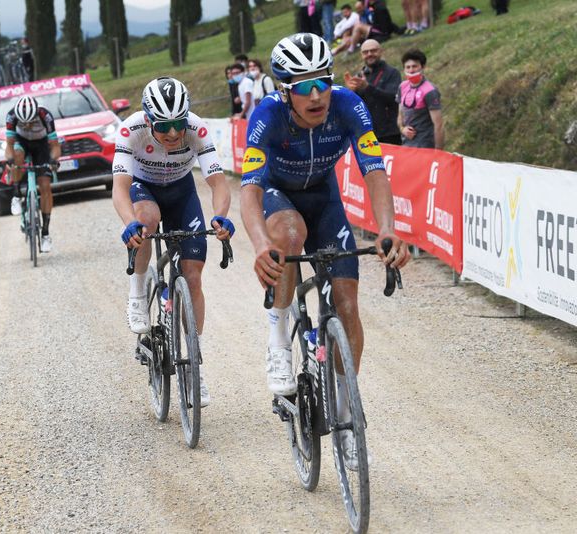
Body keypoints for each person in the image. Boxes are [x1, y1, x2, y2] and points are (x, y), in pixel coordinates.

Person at [239, 33, 409, 468]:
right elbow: (250, 192)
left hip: (325, 198)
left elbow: (374, 171)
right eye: (303, 86)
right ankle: (279, 338)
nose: (316, 95)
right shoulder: (267, 116)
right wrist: (260, 245)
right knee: (289, 235)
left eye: (323, 83)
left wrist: (388, 229)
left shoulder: (349, 105)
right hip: (279, 196)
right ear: (284, 90)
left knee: (347, 304)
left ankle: (347, 414)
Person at [112, 77, 234, 407]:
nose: (172, 133)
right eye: (163, 126)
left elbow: (219, 184)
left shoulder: (196, 129)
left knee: (193, 276)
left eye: (178, 124)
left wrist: (220, 216)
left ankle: (194, 365)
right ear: (148, 119)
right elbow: (120, 188)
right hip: (144, 189)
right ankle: (138, 292)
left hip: (182, 192)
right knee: (146, 220)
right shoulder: (131, 129)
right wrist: (129, 223)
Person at [4, 95, 62, 252]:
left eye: (30, 121)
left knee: (45, 186)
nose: (28, 125)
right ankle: (16, 194)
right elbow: (9, 146)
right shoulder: (11, 116)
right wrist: (10, 160)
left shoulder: (45, 115)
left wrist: (53, 160)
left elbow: (55, 146)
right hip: (21, 142)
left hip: (41, 144)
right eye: (24, 123)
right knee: (16, 156)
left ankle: (45, 234)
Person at [343, 39, 402, 145]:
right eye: (365, 52)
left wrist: (368, 87)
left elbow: (394, 98)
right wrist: (350, 92)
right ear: (361, 55)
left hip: (390, 134)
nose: (369, 54)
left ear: (381, 51)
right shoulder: (359, 76)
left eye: (373, 51)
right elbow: (352, 107)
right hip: (366, 134)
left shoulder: (392, 72)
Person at [396, 48, 444, 149]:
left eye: (414, 66)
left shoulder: (430, 90)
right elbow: (400, 114)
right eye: (408, 67)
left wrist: (438, 152)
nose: (411, 70)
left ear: (422, 67)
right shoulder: (402, 86)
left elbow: (439, 125)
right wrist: (402, 129)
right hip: (406, 144)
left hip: (425, 145)